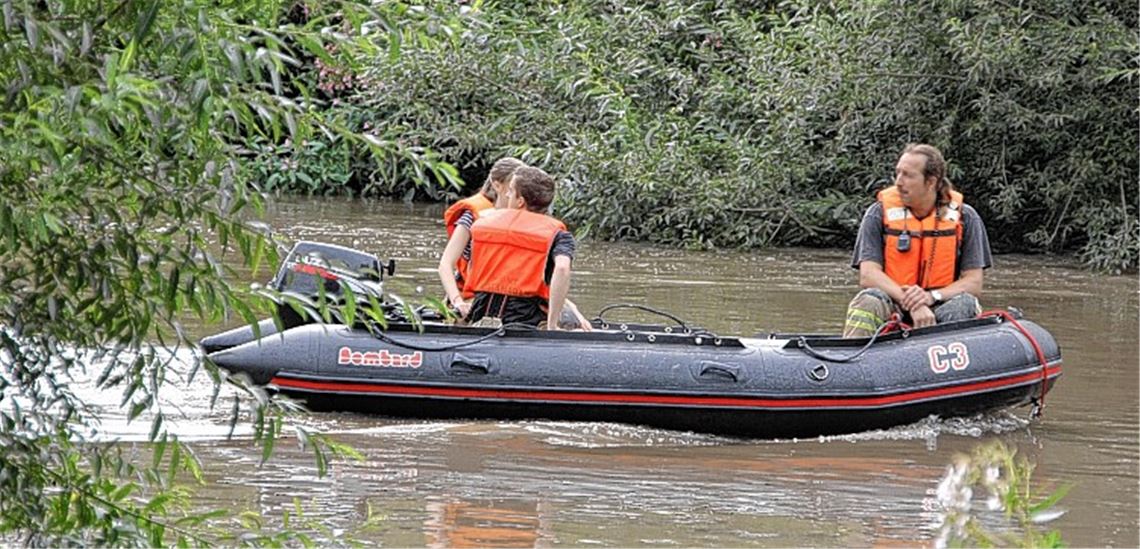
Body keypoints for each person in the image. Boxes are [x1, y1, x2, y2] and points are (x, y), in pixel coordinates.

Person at [842, 144, 993, 338]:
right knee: (868, 300)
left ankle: (949, 363)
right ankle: (852, 361)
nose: (898, 182)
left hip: (941, 303)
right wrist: (912, 302)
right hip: (893, 301)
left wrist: (931, 297)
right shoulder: (877, 214)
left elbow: (973, 283)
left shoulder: (967, 217)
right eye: (897, 173)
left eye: (908, 175)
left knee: (964, 303)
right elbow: (869, 275)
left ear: (931, 182)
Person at [463, 166, 591, 330]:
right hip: (525, 316)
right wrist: (552, 325)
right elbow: (562, 269)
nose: (507, 195)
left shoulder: (482, 225)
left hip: (481, 311)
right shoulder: (559, 235)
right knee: (572, 321)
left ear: (520, 201)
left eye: (510, 191)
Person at [438, 157, 525, 317]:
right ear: (497, 185)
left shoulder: (524, 219)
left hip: (512, 300)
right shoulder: (471, 217)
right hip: (473, 297)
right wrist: (457, 301)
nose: (519, 194)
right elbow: (445, 264)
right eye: (513, 187)